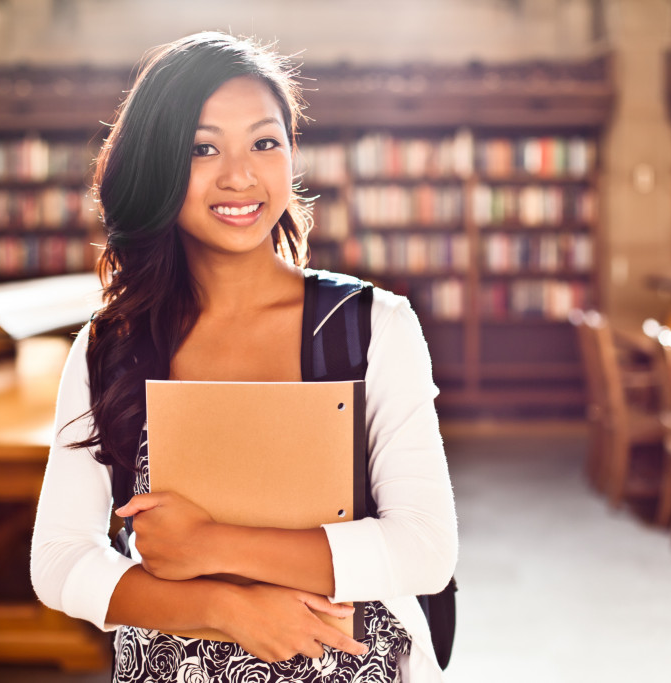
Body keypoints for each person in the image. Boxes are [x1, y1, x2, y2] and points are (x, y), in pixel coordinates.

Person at [30, 31, 458, 683]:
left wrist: (206, 544)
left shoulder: (373, 328)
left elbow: (426, 549)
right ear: (158, 165)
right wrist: (225, 608)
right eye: (203, 148)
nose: (240, 175)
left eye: (265, 142)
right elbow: (59, 561)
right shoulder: (112, 344)